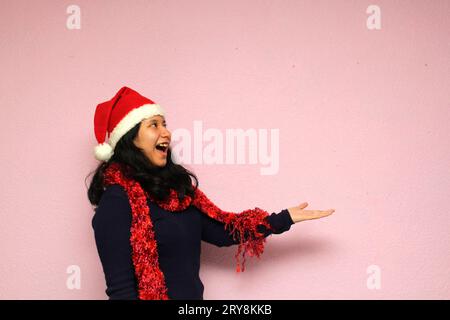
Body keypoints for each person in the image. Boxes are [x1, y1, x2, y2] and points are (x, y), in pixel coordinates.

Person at [86, 86, 335, 300]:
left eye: (165, 124)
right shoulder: (116, 203)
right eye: (153, 125)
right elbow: (121, 291)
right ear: (131, 140)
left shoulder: (178, 193)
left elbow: (223, 231)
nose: (166, 133)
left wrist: (282, 219)